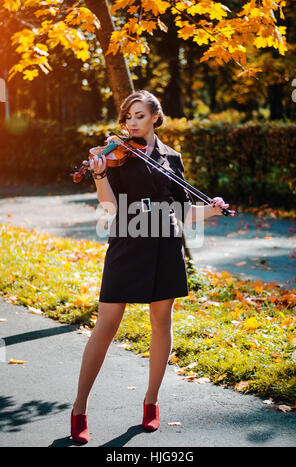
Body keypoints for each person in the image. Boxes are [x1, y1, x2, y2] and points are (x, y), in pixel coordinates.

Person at [70, 90, 235, 443]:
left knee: (162, 324)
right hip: (127, 246)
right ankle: (80, 408)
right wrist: (99, 176)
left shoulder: (172, 158)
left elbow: (184, 211)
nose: (132, 122)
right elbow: (112, 209)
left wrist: (213, 209)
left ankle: (151, 402)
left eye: (139, 116)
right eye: (128, 116)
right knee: (106, 325)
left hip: (165, 247)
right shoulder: (116, 156)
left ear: (155, 118)